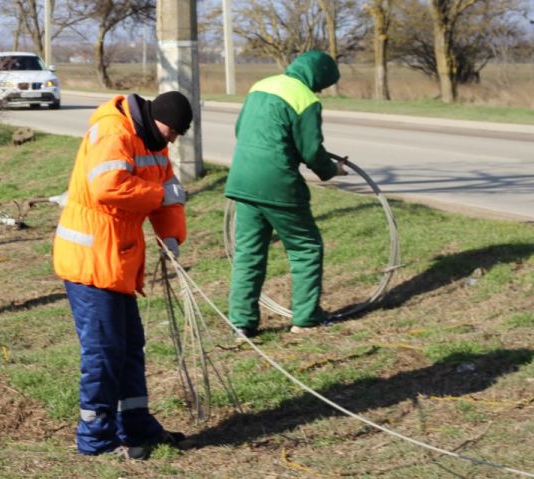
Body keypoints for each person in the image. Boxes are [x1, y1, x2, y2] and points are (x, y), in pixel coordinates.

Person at [52, 90, 193, 460]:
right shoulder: (113, 132)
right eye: (173, 132)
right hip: (90, 260)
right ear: (159, 120)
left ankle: (136, 425)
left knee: (129, 348)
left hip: (118, 261)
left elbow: (167, 191)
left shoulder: (153, 141)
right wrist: (159, 196)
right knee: (104, 351)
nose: (173, 141)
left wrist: (171, 235)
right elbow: (108, 186)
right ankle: (96, 439)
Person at [225, 50, 347, 338]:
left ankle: (241, 323)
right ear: (318, 77)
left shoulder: (261, 85)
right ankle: (305, 319)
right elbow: (311, 151)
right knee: (305, 247)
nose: (320, 90)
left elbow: (241, 129)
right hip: (278, 184)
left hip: (242, 180)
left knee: (249, 252)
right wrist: (333, 170)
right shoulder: (306, 99)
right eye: (323, 84)